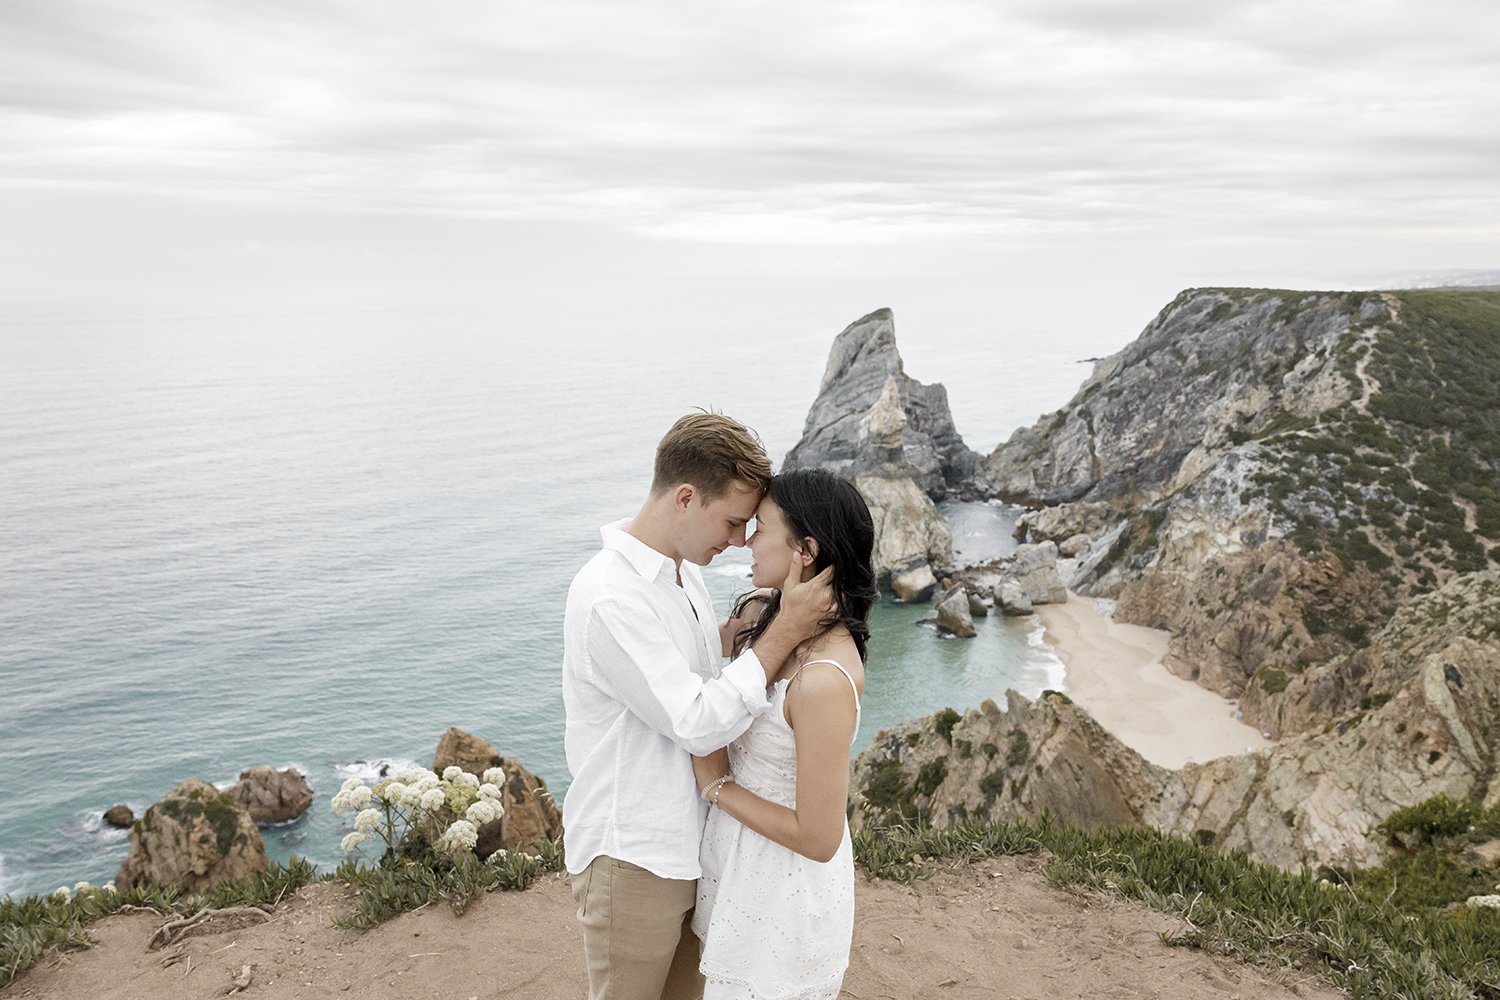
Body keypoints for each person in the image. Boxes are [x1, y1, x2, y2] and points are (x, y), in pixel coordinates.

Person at [562, 412, 836, 1000]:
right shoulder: (612, 595)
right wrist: (783, 633)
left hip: (691, 841)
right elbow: (693, 719)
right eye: (733, 521)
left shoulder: (680, 576)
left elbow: (677, 662)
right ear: (686, 497)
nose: (739, 539)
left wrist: (739, 631)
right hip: (634, 854)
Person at [691, 468, 877, 1000]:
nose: (746, 540)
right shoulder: (758, 617)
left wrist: (717, 787)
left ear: (805, 550)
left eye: (761, 527)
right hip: (737, 865)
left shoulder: (823, 682)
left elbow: (820, 839)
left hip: (785, 894)